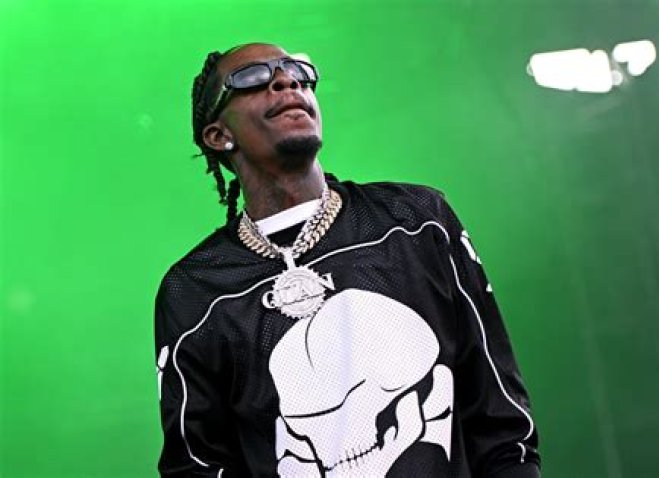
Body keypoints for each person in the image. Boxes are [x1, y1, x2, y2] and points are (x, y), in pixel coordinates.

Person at [154, 42, 540, 477]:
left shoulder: (416, 223)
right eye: (254, 78)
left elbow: (499, 415)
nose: (286, 80)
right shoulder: (196, 290)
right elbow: (197, 465)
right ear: (218, 135)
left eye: (297, 70)